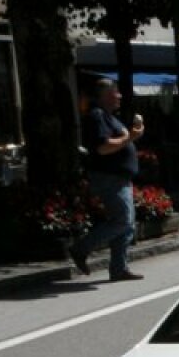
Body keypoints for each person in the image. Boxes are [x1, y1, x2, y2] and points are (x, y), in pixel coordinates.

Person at [73, 78, 145, 282]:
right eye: (116, 92)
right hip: (109, 178)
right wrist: (130, 137)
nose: (120, 96)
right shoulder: (97, 116)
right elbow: (103, 148)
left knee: (127, 224)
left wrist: (131, 135)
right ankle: (81, 248)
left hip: (119, 177)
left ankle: (119, 268)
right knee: (122, 220)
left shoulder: (108, 117)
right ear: (105, 95)